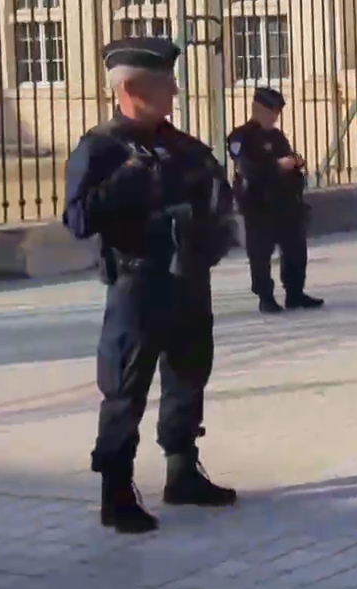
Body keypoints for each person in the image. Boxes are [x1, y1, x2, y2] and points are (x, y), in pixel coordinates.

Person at [63, 37, 239, 534]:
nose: (176, 91)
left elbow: (220, 199)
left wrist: (211, 241)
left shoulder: (184, 146)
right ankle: (116, 491)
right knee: (125, 387)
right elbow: (77, 218)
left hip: (187, 278)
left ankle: (182, 471)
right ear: (134, 88)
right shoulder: (101, 148)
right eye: (167, 84)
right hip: (137, 283)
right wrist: (129, 178)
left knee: (188, 373)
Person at [226, 87, 322, 315]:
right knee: (260, 253)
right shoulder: (242, 136)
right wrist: (277, 166)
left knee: (295, 248)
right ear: (258, 109)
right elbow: (248, 168)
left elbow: (287, 158)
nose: (275, 117)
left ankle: (295, 293)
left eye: (277, 112)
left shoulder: (277, 136)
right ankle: (265, 297)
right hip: (258, 204)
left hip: (286, 202)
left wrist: (295, 162)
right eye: (272, 111)